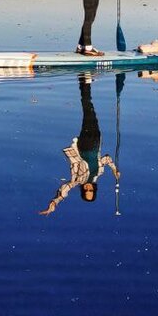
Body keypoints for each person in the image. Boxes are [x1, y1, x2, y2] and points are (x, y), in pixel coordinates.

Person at [39, 74, 120, 214]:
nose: (88, 188)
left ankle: (85, 82)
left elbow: (66, 188)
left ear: (82, 189)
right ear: (94, 188)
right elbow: (106, 158)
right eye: (91, 190)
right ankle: (85, 83)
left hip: (85, 144)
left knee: (88, 110)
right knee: (90, 110)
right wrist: (114, 170)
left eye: (86, 190)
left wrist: (54, 202)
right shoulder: (98, 174)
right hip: (96, 140)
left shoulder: (78, 180)